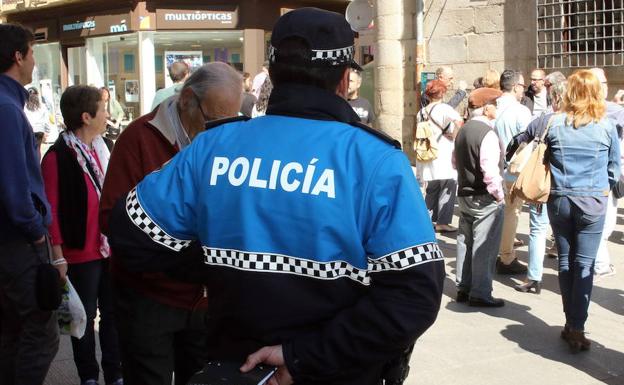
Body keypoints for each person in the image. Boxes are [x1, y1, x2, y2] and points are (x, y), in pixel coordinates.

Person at [107, 8, 444, 385]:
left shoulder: (213, 148)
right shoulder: (376, 161)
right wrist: (305, 356)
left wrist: (214, 267)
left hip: (233, 367)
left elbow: (128, 233)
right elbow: (415, 296)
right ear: (344, 78)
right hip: (336, 372)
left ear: (274, 72)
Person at [99, 62, 243, 385]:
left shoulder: (221, 143)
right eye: (215, 121)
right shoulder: (138, 137)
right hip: (148, 298)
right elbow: (110, 218)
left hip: (202, 301)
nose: (221, 132)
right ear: (188, 99)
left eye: (231, 123)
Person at [41, 85, 122, 385]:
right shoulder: (56, 157)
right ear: (86, 117)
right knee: (79, 320)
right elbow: (50, 211)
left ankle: (116, 374)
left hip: (107, 250)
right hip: (77, 255)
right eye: (103, 110)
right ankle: (88, 376)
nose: (108, 116)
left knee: (113, 317)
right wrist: (57, 258)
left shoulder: (103, 148)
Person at [0, 23, 59, 385]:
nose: (35, 62)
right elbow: (13, 187)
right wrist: (37, 233)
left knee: (12, 332)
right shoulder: (6, 109)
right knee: (40, 333)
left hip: (11, 240)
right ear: (18, 56)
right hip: (16, 242)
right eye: (33, 53)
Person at [546, 69, 620, 352]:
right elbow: (614, 168)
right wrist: (603, 187)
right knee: (584, 264)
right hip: (592, 200)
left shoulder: (555, 124)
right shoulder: (605, 125)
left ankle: (570, 322)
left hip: (561, 199)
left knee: (565, 261)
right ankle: (577, 325)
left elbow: (546, 159)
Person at [509, 80, 568, 294]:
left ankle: (534, 278)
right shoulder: (579, 123)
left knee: (537, 230)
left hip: (541, 185)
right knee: (567, 233)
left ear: (554, 99)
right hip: (568, 186)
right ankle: (569, 278)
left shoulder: (542, 121)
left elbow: (520, 142)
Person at [454, 87, 506, 307]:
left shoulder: (464, 130)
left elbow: (454, 162)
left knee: (465, 241)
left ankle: (463, 287)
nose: (498, 108)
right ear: (487, 108)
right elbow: (489, 169)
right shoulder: (487, 133)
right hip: (483, 196)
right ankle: (480, 292)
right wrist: (499, 195)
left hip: (465, 192)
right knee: (484, 245)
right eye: (496, 104)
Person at [494, 70, 532, 275]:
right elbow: (530, 142)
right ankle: (506, 257)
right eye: (523, 86)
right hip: (511, 172)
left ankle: (492, 252)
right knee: (511, 214)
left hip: (489, 171)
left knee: (494, 214)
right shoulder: (520, 111)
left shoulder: (489, 107)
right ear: (516, 86)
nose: (523, 90)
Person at [589, 67, 624, 280]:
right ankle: (600, 264)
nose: (606, 87)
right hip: (608, 174)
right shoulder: (613, 111)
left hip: (587, 176)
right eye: (602, 84)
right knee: (606, 223)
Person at [416, 79, 464, 233]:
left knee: (432, 188)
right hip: (444, 150)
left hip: (429, 153)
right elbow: (459, 122)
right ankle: (443, 222)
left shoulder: (421, 112)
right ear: (442, 93)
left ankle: (427, 220)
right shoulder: (444, 108)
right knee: (448, 186)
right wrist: (454, 136)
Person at [24, 87, 51, 151]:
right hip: (39, 130)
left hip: (29, 130)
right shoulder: (42, 106)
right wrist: (47, 131)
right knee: (38, 149)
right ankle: (37, 160)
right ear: (37, 95)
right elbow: (46, 120)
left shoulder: (24, 106)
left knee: (28, 149)